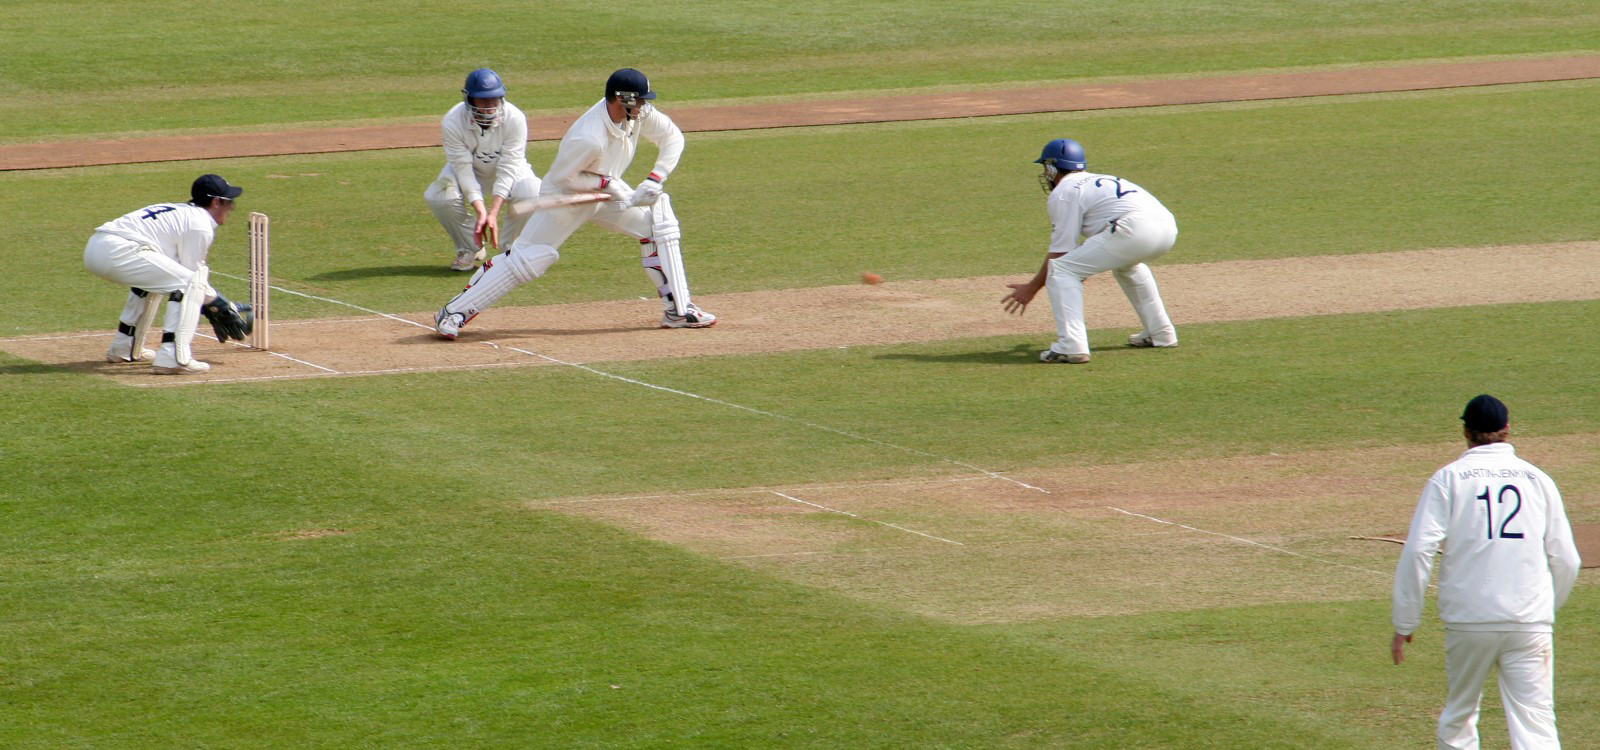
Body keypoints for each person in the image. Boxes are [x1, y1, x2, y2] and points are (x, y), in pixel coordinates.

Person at [433, 67, 717, 339]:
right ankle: (453, 313)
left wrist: (654, 179)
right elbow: (563, 178)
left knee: (658, 224)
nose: (643, 106)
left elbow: (673, 137)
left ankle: (678, 310)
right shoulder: (588, 137)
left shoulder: (637, 115)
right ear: (622, 98)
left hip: (606, 195)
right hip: (565, 200)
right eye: (639, 100)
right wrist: (609, 185)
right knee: (529, 259)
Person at [1391, 394, 1580, 750]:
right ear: (1507, 429)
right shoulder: (1538, 479)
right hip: (1529, 621)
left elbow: (1418, 550)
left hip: (1469, 620)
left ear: (1466, 430)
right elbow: (1567, 559)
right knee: (1536, 725)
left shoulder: (1448, 479)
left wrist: (1405, 623)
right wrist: (1544, 610)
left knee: (1460, 717)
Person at [1000, 138, 1178, 364]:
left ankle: (1071, 345)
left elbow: (1061, 251)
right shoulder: (1098, 180)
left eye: (1046, 168)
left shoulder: (1064, 191)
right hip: (1167, 228)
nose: (1046, 174)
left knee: (1062, 270)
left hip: (1133, 228)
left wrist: (1032, 287)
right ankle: (1161, 333)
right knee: (1127, 267)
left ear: (1053, 167)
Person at [83, 174, 253, 374]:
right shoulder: (200, 224)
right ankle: (172, 357)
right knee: (190, 285)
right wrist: (220, 305)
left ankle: (125, 347)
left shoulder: (181, 212)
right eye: (228, 201)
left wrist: (213, 304)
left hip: (96, 247)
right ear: (216, 202)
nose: (231, 207)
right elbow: (193, 277)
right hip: (119, 251)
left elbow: (175, 271)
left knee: (159, 282)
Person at [424, 68, 542, 271]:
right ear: (469, 100)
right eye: (483, 100)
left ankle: (511, 250)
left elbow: (509, 165)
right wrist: (481, 211)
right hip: (471, 172)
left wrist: (493, 212)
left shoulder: (515, 118)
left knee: (533, 191)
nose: (489, 107)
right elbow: (463, 168)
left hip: (508, 171)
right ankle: (470, 247)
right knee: (438, 195)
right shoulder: (452, 120)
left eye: (494, 99)